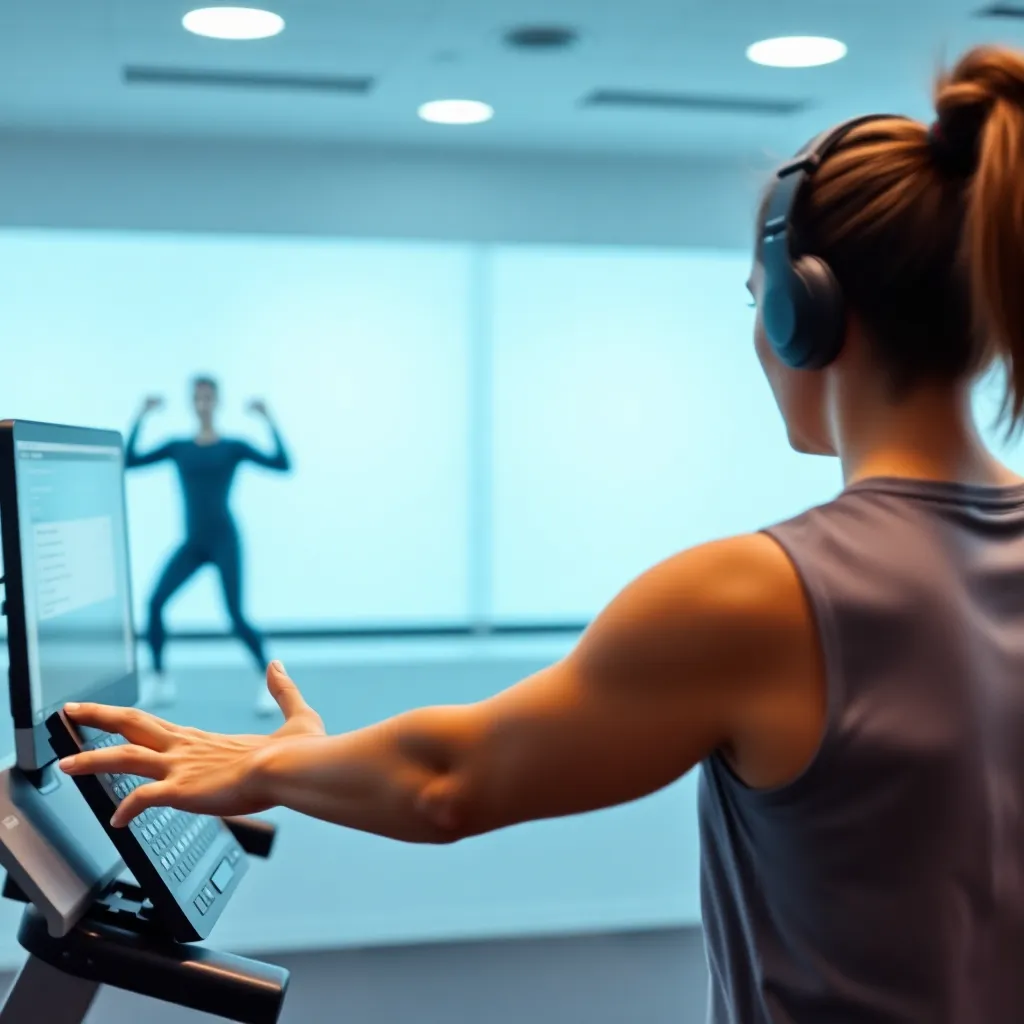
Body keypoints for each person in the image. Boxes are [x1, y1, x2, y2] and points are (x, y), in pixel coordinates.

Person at [61, 43, 1024, 1022]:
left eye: (753, 300)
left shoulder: (761, 596)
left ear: (799, 310)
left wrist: (273, 761)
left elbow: (449, 781)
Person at [126, 377, 291, 715]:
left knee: (235, 616)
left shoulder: (233, 447)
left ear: (217, 402)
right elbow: (130, 460)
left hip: (224, 540)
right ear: (193, 403)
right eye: (198, 399)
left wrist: (268, 418)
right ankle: (159, 678)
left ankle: (272, 684)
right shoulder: (178, 447)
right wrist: (141, 416)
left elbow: (282, 463)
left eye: (208, 398)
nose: (203, 404)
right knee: (155, 603)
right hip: (193, 543)